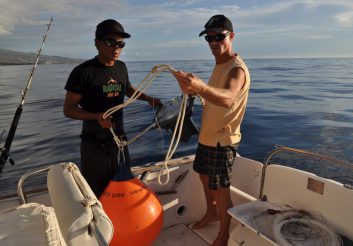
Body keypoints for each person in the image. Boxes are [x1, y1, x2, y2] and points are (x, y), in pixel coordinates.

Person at [172, 15, 250, 246]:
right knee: (204, 176)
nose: (214, 41)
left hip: (222, 140)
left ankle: (224, 234)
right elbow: (213, 98)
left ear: (231, 36)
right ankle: (211, 212)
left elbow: (228, 98)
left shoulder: (237, 69)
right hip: (207, 136)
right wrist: (192, 90)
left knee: (221, 189)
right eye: (209, 38)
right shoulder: (220, 66)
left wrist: (200, 86)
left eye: (219, 36)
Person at [63, 19, 162, 197]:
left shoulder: (121, 67)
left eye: (120, 43)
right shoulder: (83, 72)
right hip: (94, 146)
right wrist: (96, 117)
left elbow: (128, 89)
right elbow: (69, 109)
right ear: (97, 43)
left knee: (124, 189)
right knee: (98, 194)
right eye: (110, 42)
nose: (116, 48)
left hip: (120, 142)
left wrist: (148, 99)